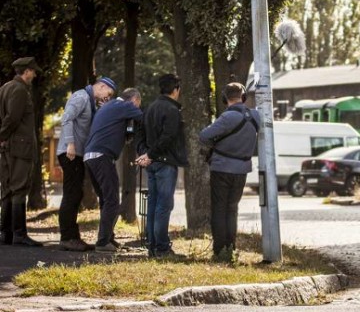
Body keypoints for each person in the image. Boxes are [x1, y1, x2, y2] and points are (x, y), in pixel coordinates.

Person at [198, 82, 260, 259]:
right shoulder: (256, 116)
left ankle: (219, 250)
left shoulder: (227, 117)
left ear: (225, 99)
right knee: (232, 209)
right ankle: (231, 248)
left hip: (221, 168)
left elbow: (204, 136)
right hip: (242, 171)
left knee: (219, 209)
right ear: (244, 97)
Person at [56, 76, 117, 252]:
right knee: (71, 194)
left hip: (77, 153)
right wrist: (70, 144)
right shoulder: (81, 96)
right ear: (101, 86)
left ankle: (72, 237)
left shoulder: (91, 102)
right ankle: (67, 238)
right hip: (70, 152)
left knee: (75, 193)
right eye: (109, 93)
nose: (109, 97)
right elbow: (66, 119)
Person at [135, 74, 188, 258]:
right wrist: (149, 155)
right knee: (164, 206)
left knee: (153, 205)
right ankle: (162, 248)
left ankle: (152, 246)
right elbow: (168, 137)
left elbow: (139, 136)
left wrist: (145, 154)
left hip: (152, 163)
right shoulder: (172, 110)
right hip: (165, 162)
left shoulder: (149, 108)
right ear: (176, 89)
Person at [84, 88, 143, 252]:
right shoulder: (125, 106)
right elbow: (144, 118)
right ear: (133, 100)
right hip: (102, 156)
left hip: (90, 156)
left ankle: (108, 237)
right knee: (111, 200)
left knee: (105, 199)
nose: (136, 108)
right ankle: (103, 242)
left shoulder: (109, 106)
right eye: (138, 104)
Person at [0, 57, 43, 247]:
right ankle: (19, 234)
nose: (34, 74)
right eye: (33, 71)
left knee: (8, 188)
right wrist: (2, 136)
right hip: (20, 147)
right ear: (26, 71)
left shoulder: (5, 87)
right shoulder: (19, 90)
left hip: (10, 145)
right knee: (19, 187)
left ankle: (6, 233)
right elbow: (12, 118)